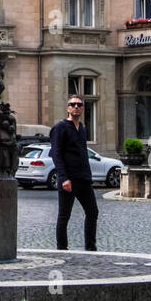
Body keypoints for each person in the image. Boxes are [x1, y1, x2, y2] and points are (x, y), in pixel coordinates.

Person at [50, 95, 98, 251]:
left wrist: (89, 176)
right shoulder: (60, 128)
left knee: (92, 212)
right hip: (68, 179)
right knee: (64, 215)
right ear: (67, 108)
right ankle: (62, 248)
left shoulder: (82, 128)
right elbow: (56, 154)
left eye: (79, 104)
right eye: (73, 104)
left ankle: (90, 248)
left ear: (83, 108)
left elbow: (83, 153)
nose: (76, 107)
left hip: (84, 178)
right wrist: (64, 178)